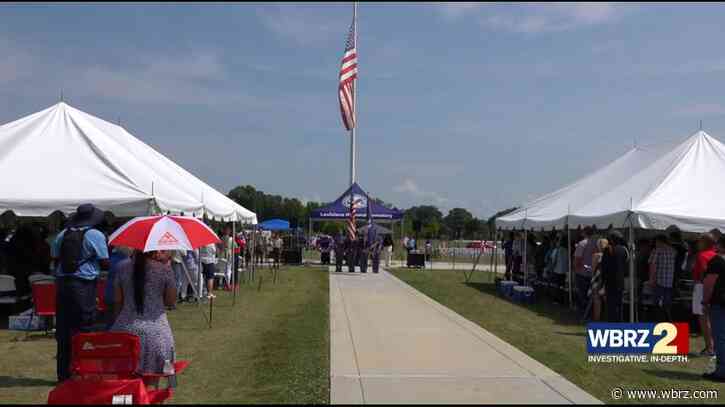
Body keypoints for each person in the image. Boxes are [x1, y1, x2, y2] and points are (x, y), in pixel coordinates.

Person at [51, 203, 110, 382]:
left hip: (63, 284)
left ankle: (63, 373)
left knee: (63, 329)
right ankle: (82, 370)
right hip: (83, 285)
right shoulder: (95, 235)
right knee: (84, 327)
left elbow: (54, 258)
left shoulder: (62, 234)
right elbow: (105, 262)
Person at [110, 250, 177, 375]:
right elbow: (170, 301)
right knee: (151, 385)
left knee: (125, 382)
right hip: (156, 334)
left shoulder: (121, 267)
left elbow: (118, 301)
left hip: (125, 331)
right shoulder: (164, 270)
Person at [702, 236, 725, 382]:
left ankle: (722, 372)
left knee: (720, 337)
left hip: (720, 303)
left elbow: (709, 283)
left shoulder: (717, 261)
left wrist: (705, 301)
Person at [694, 233, 717, 356]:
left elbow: (704, 271)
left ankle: (709, 347)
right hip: (716, 288)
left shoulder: (702, 255)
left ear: (705, 242)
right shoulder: (717, 255)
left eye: (700, 241)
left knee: (704, 318)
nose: (698, 244)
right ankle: (713, 346)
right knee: (714, 318)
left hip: (702, 287)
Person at [648, 234, 676, 322]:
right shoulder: (673, 251)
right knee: (666, 305)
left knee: (657, 305)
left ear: (659, 241)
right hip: (669, 282)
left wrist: (651, 280)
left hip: (658, 281)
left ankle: (658, 323)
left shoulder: (656, 251)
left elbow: (652, 266)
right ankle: (668, 322)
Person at [602, 231, 628, 323]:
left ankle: (611, 322)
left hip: (610, 280)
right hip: (620, 280)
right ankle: (619, 321)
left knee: (610, 304)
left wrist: (602, 282)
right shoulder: (624, 250)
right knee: (618, 303)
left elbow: (604, 267)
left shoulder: (608, 249)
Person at [105, 246, 133, 329]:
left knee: (110, 321)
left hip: (109, 294)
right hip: (120, 296)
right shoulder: (125, 262)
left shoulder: (112, 257)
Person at [574, 227, 597, 311]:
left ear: (584, 233)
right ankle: (589, 310)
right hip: (592, 272)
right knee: (590, 294)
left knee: (582, 293)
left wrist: (575, 269)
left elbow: (577, 259)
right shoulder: (596, 243)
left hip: (582, 272)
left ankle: (582, 310)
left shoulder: (582, 243)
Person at [589, 238, 607, 322]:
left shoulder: (596, 255)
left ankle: (597, 318)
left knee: (596, 300)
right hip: (606, 279)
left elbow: (593, 269)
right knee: (605, 299)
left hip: (597, 279)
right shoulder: (609, 254)